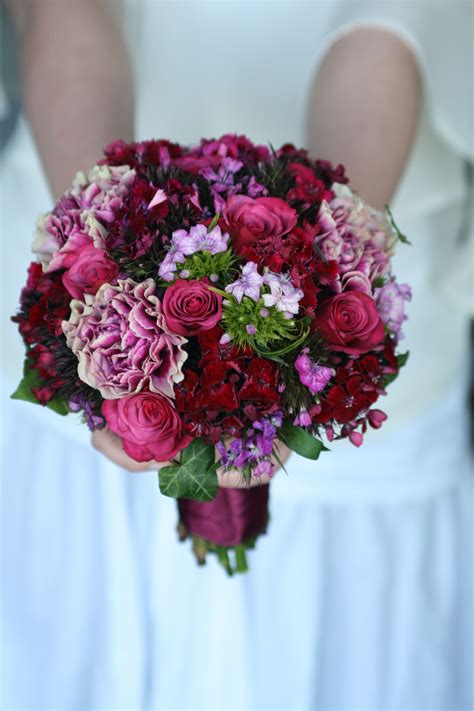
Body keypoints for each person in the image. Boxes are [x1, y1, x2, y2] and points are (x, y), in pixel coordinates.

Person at [1, 1, 472, 709]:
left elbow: (394, 29)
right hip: (70, 188)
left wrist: (324, 306)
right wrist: (101, 277)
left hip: (370, 403)